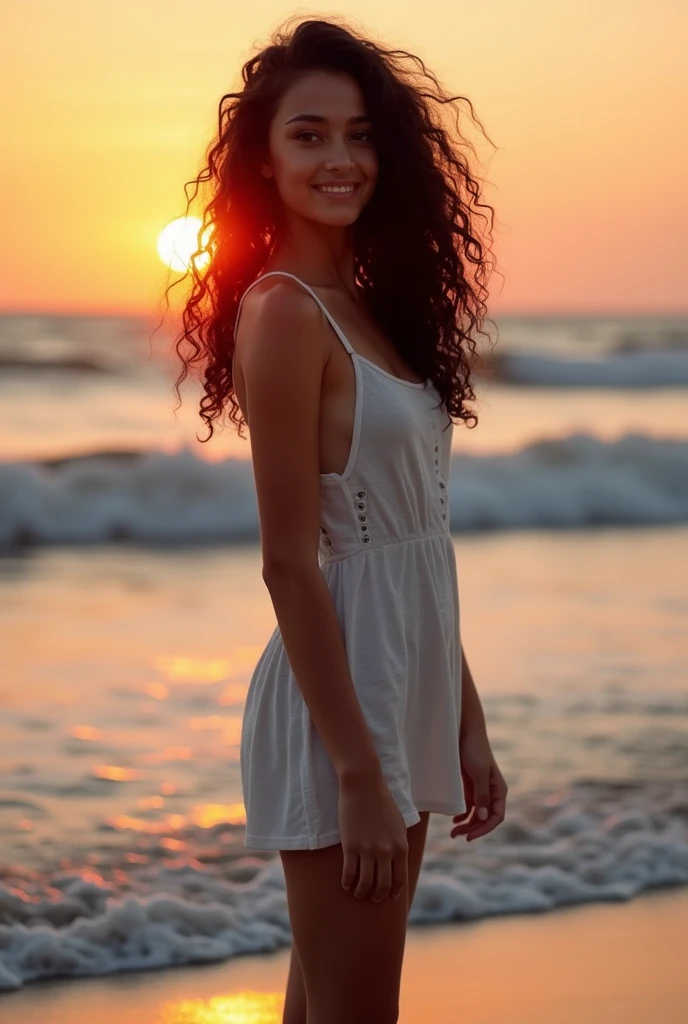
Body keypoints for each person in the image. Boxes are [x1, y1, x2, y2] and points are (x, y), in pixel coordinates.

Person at [167, 15, 508, 1024]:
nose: (340, 158)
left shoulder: (366, 307)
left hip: (402, 687)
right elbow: (291, 564)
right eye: (308, 135)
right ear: (262, 164)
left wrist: (467, 718)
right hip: (342, 715)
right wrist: (359, 770)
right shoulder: (282, 312)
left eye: (359, 134)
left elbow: (411, 545)